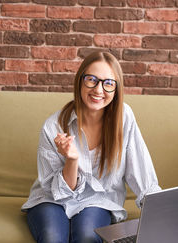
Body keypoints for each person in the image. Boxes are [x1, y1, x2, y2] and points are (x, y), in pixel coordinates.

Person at [21, 51, 161, 243]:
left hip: (98, 200)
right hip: (51, 200)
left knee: (87, 237)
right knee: (52, 238)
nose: (98, 90)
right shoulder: (53, 126)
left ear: (116, 89)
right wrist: (71, 159)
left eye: (108, 83)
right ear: (80, 81)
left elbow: (142, 175)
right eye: (91, 80)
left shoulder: (124, 118)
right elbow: (61, 192)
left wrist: (162, 211)